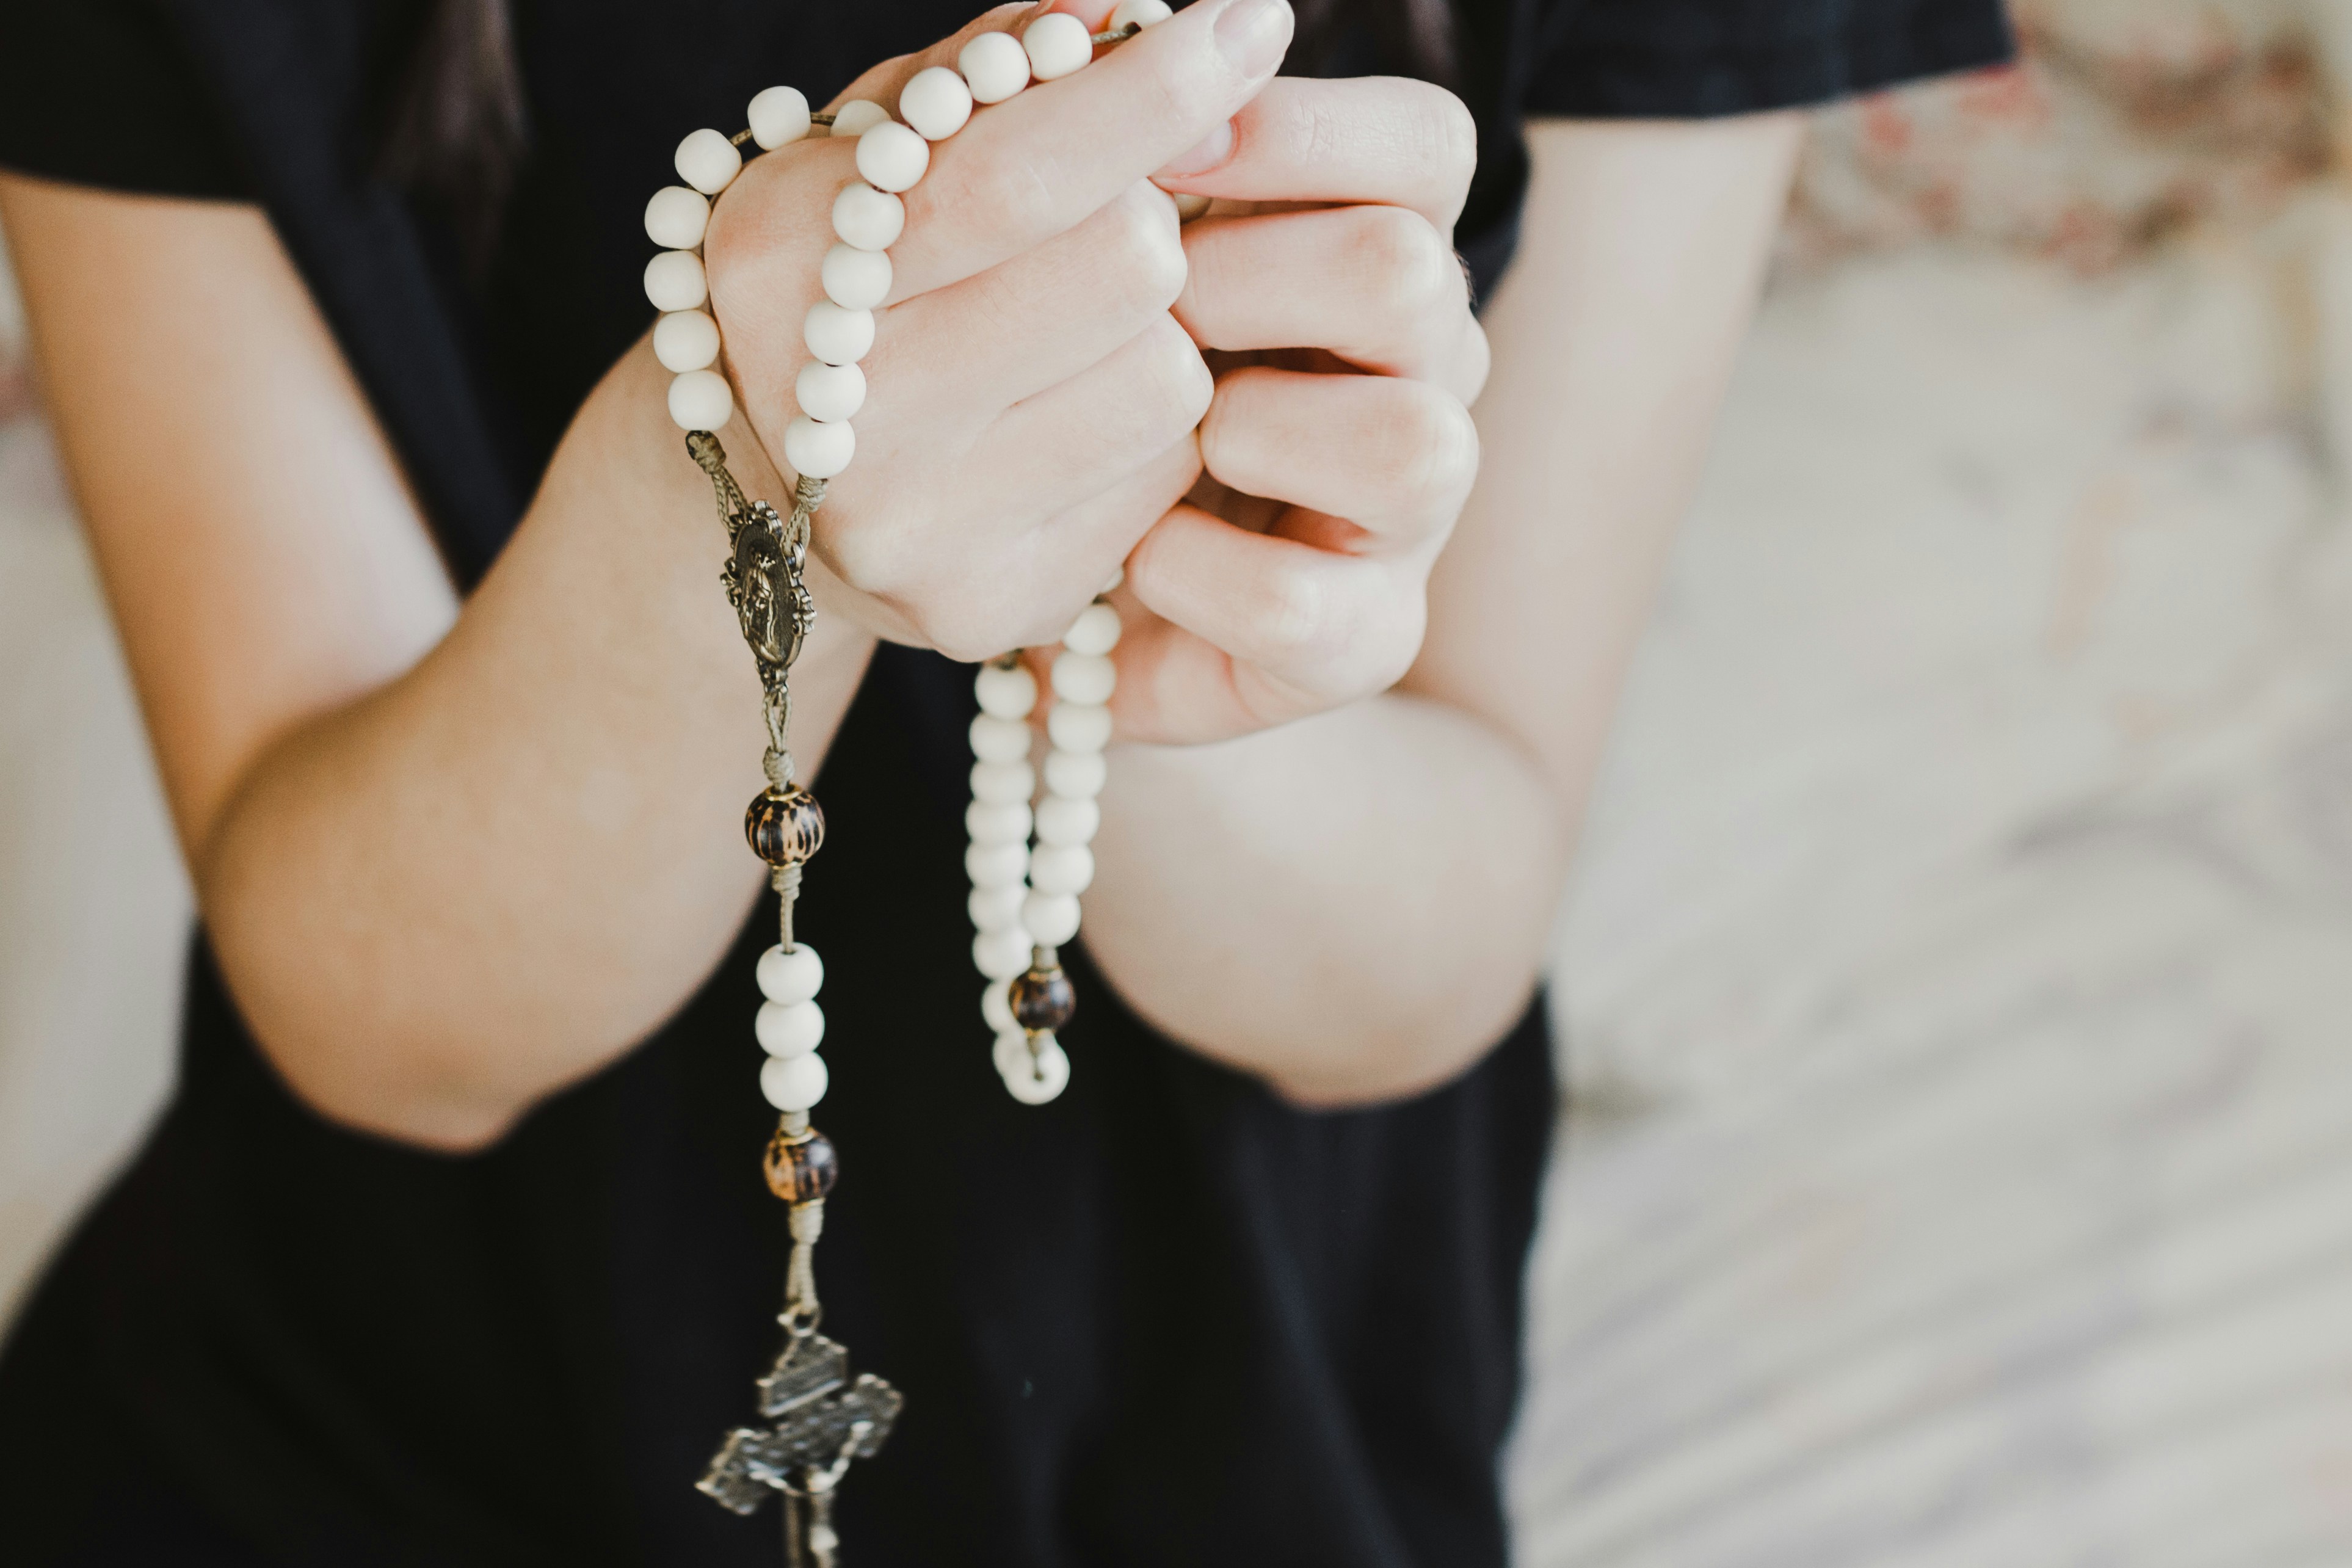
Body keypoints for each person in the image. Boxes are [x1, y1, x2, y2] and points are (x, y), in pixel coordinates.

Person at [0, 0, 2008, 1562]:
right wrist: (727, 483)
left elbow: (1417, 961)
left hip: (1244, 1461)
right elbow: (388, 1031)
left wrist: (1152, 584)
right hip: (358, 1451)